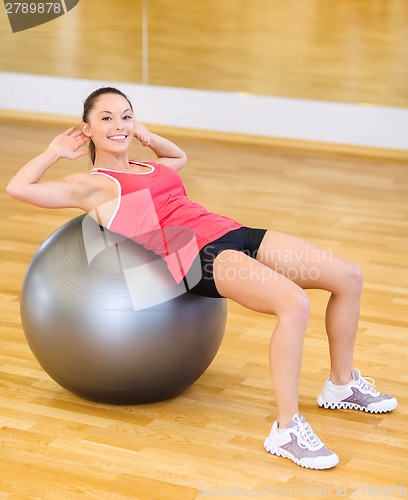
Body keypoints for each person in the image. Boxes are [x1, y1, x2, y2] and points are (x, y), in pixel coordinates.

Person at [6, 87, 398, 470]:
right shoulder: (94, 185)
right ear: (86, 128)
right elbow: (18, 188)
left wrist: (147, 135)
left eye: (125, 115)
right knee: (293, 304)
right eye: (106, 118)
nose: (119, 125)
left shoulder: (152, 166)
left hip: (232, 232)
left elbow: (179, 156)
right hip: (200, 256)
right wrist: (54, 152)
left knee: (348, 276)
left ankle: (342, 384)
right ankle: (287, 429)